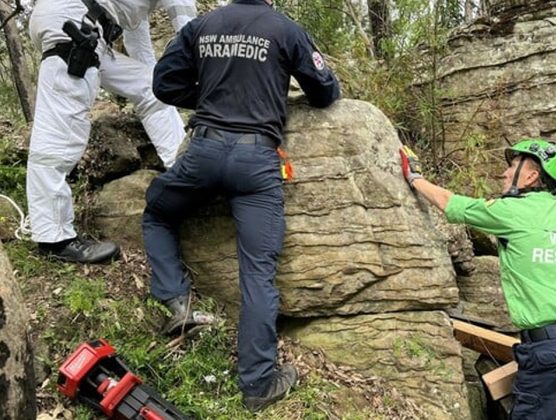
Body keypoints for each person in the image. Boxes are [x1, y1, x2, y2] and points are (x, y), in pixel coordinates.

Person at [142, 0, 340, 412]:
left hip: (204, 151)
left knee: (159, 212)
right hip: (257, 163)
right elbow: (323, 92)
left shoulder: (202, 25)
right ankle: (257, 384)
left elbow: (164, 84)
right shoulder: (286, 29)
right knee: (257, 273)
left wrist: (211, 96)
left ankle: (177, 302)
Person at [399, 139, 556, 419]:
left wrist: (414, 177)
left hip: (554, 348)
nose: (504, 173)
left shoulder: (514, 211)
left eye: (513, 167)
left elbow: (452, 204)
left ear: (531, 177)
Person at [26, 0, 196, 264]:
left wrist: (159, 83)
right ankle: (54, 238)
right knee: (62, 133)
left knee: (151, 88)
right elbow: (188, 26)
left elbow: (138, 40)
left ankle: (180, 164)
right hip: (75, 22)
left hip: (93, 29)